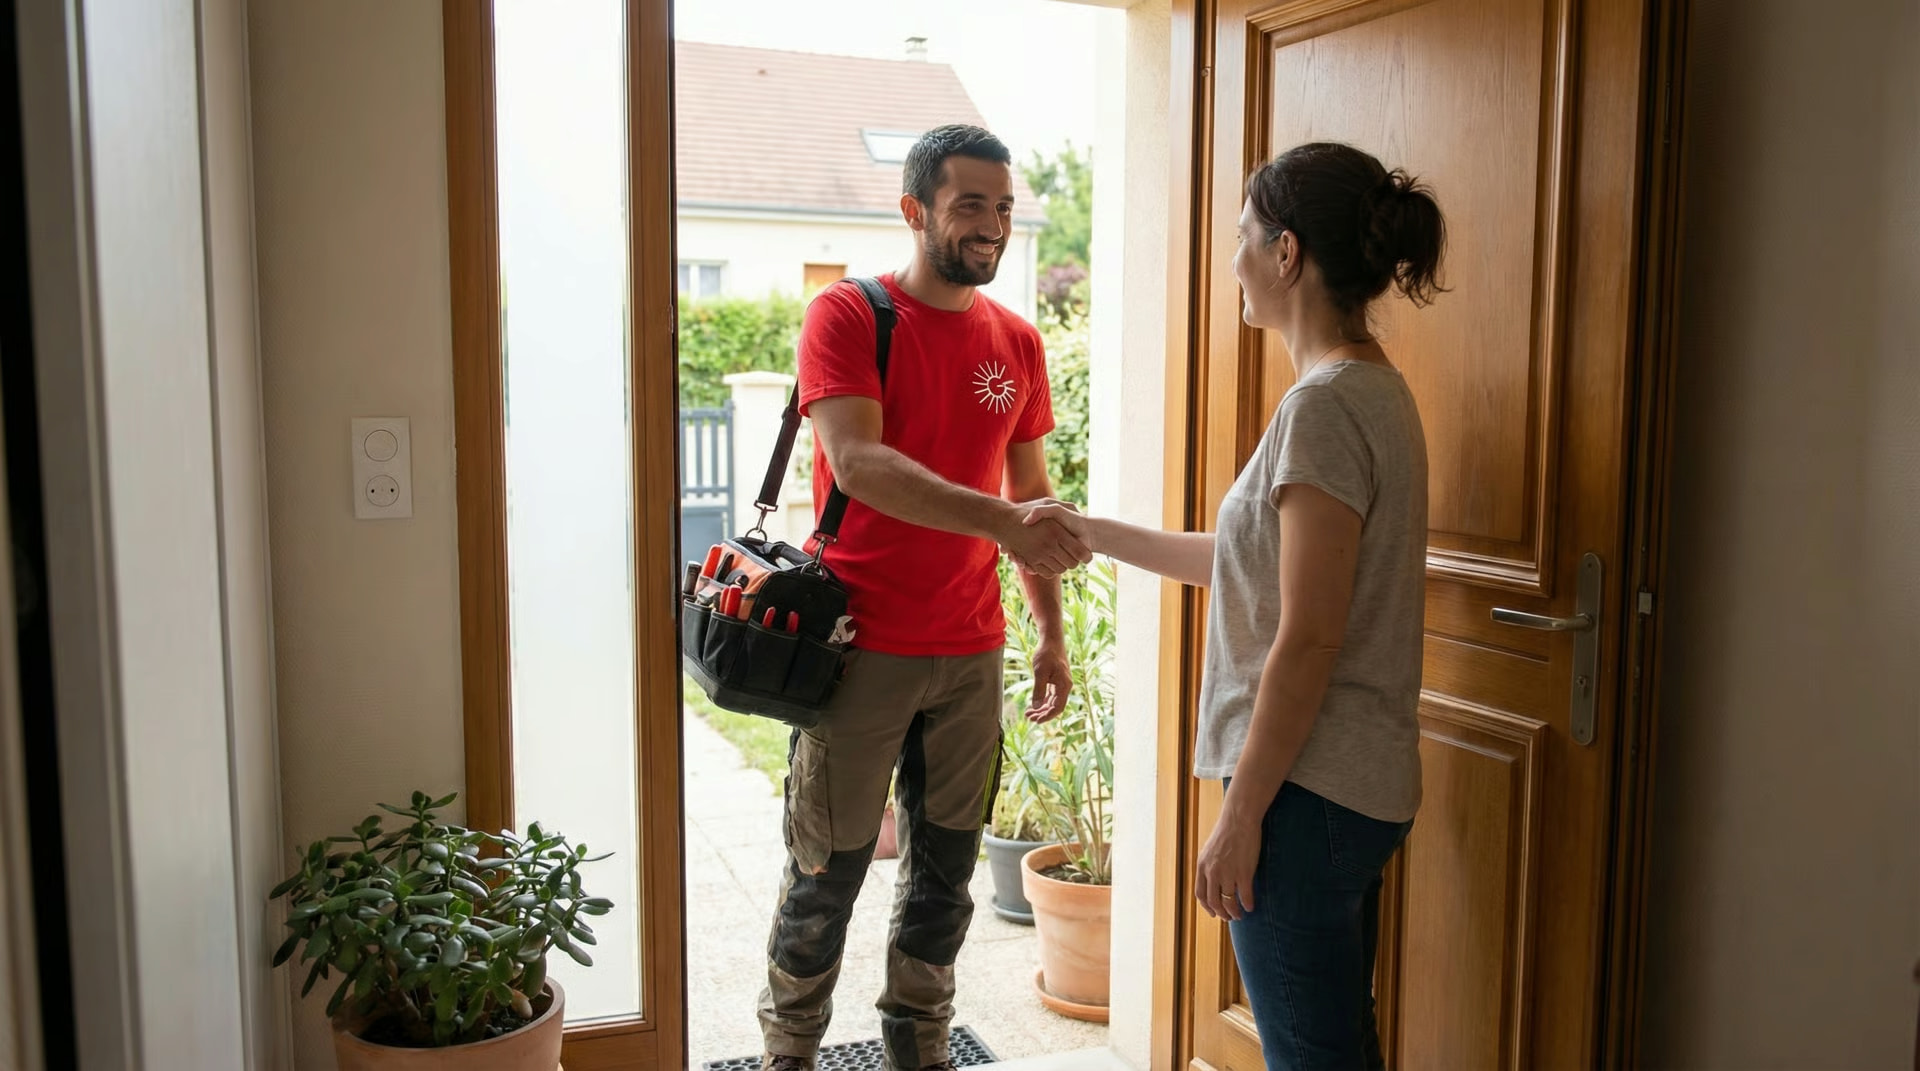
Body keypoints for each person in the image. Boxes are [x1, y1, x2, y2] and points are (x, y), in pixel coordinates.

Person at [1027, 142, 1446, 1069]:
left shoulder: (1325, 407)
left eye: (1244, 237)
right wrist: (1094, 532)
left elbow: (1307, 634)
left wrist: (1242, 812)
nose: (1234, 261)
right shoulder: (1370, 391)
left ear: (1287, 252)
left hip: (1308, 795)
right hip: (1350, 787)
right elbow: (1252, 564)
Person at [759, 123, 1091, 1071]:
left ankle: (921, 1043)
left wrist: (1050, 634)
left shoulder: (1018, 342)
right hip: (858, 647)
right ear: (916, 211)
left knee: (946, 875)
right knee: (827, 873)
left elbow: (1030, 504)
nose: (992, 224)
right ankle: (790, 1051)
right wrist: (1001, 522)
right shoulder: (850, 316)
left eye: (1005, 206)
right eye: (971, 204)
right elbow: (858, 465)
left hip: (972, 650)